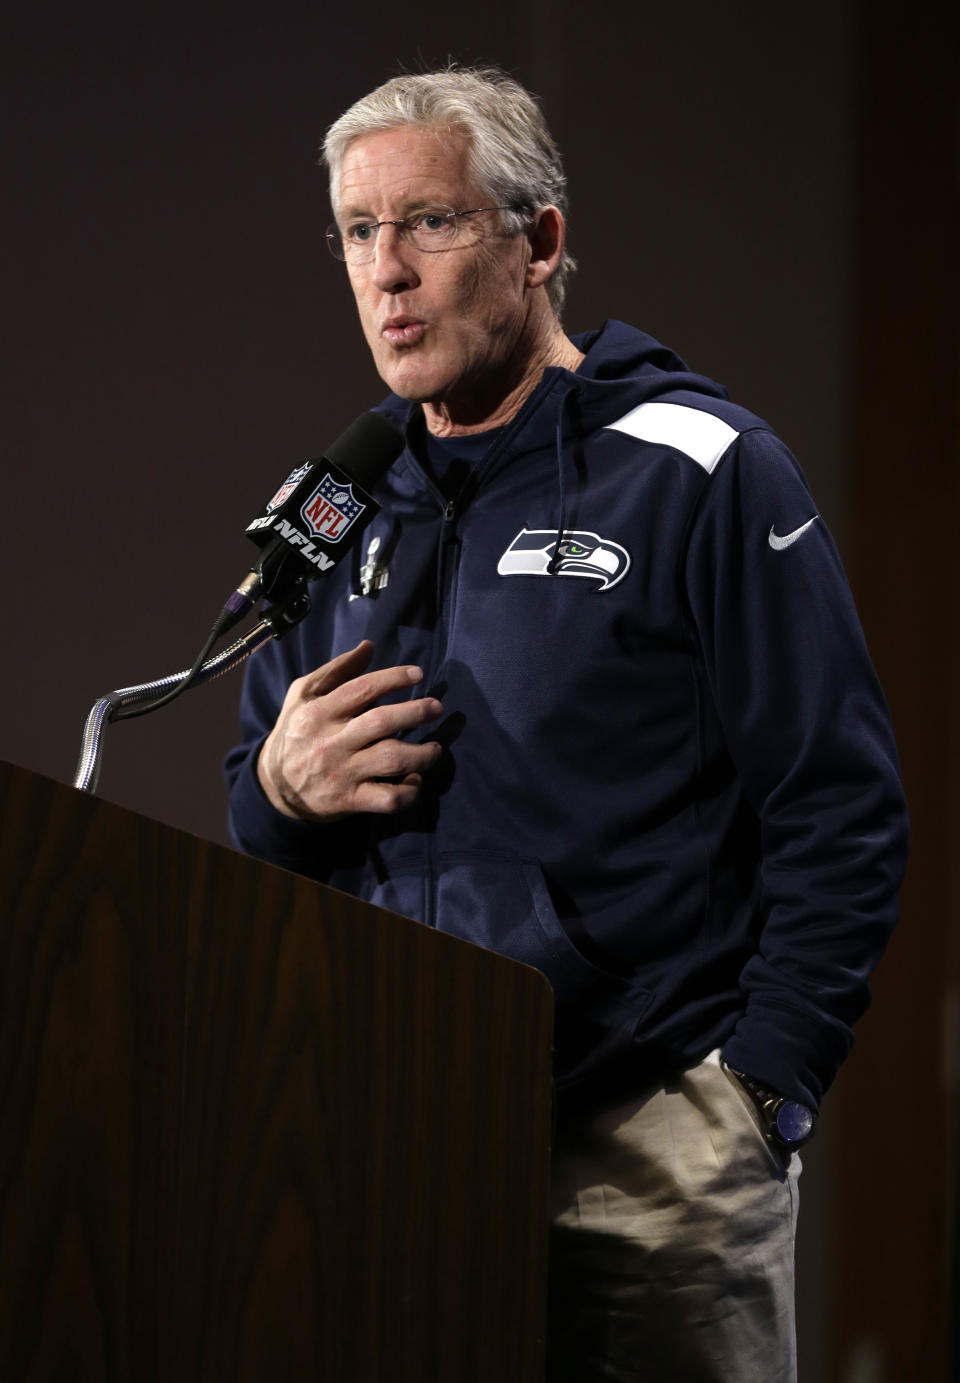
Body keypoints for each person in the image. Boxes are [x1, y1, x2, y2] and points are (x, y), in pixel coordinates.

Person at [225, 66, 908, 1381]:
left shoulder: (699, 467)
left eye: (428, 223)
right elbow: (266, 826)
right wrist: (276, 789)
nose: (387, 273)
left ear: (538, 244)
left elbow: (841, 805)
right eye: (359, 233)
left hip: (652, 1143)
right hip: (400, 1150)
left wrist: (759, 1094)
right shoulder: (332, 509)